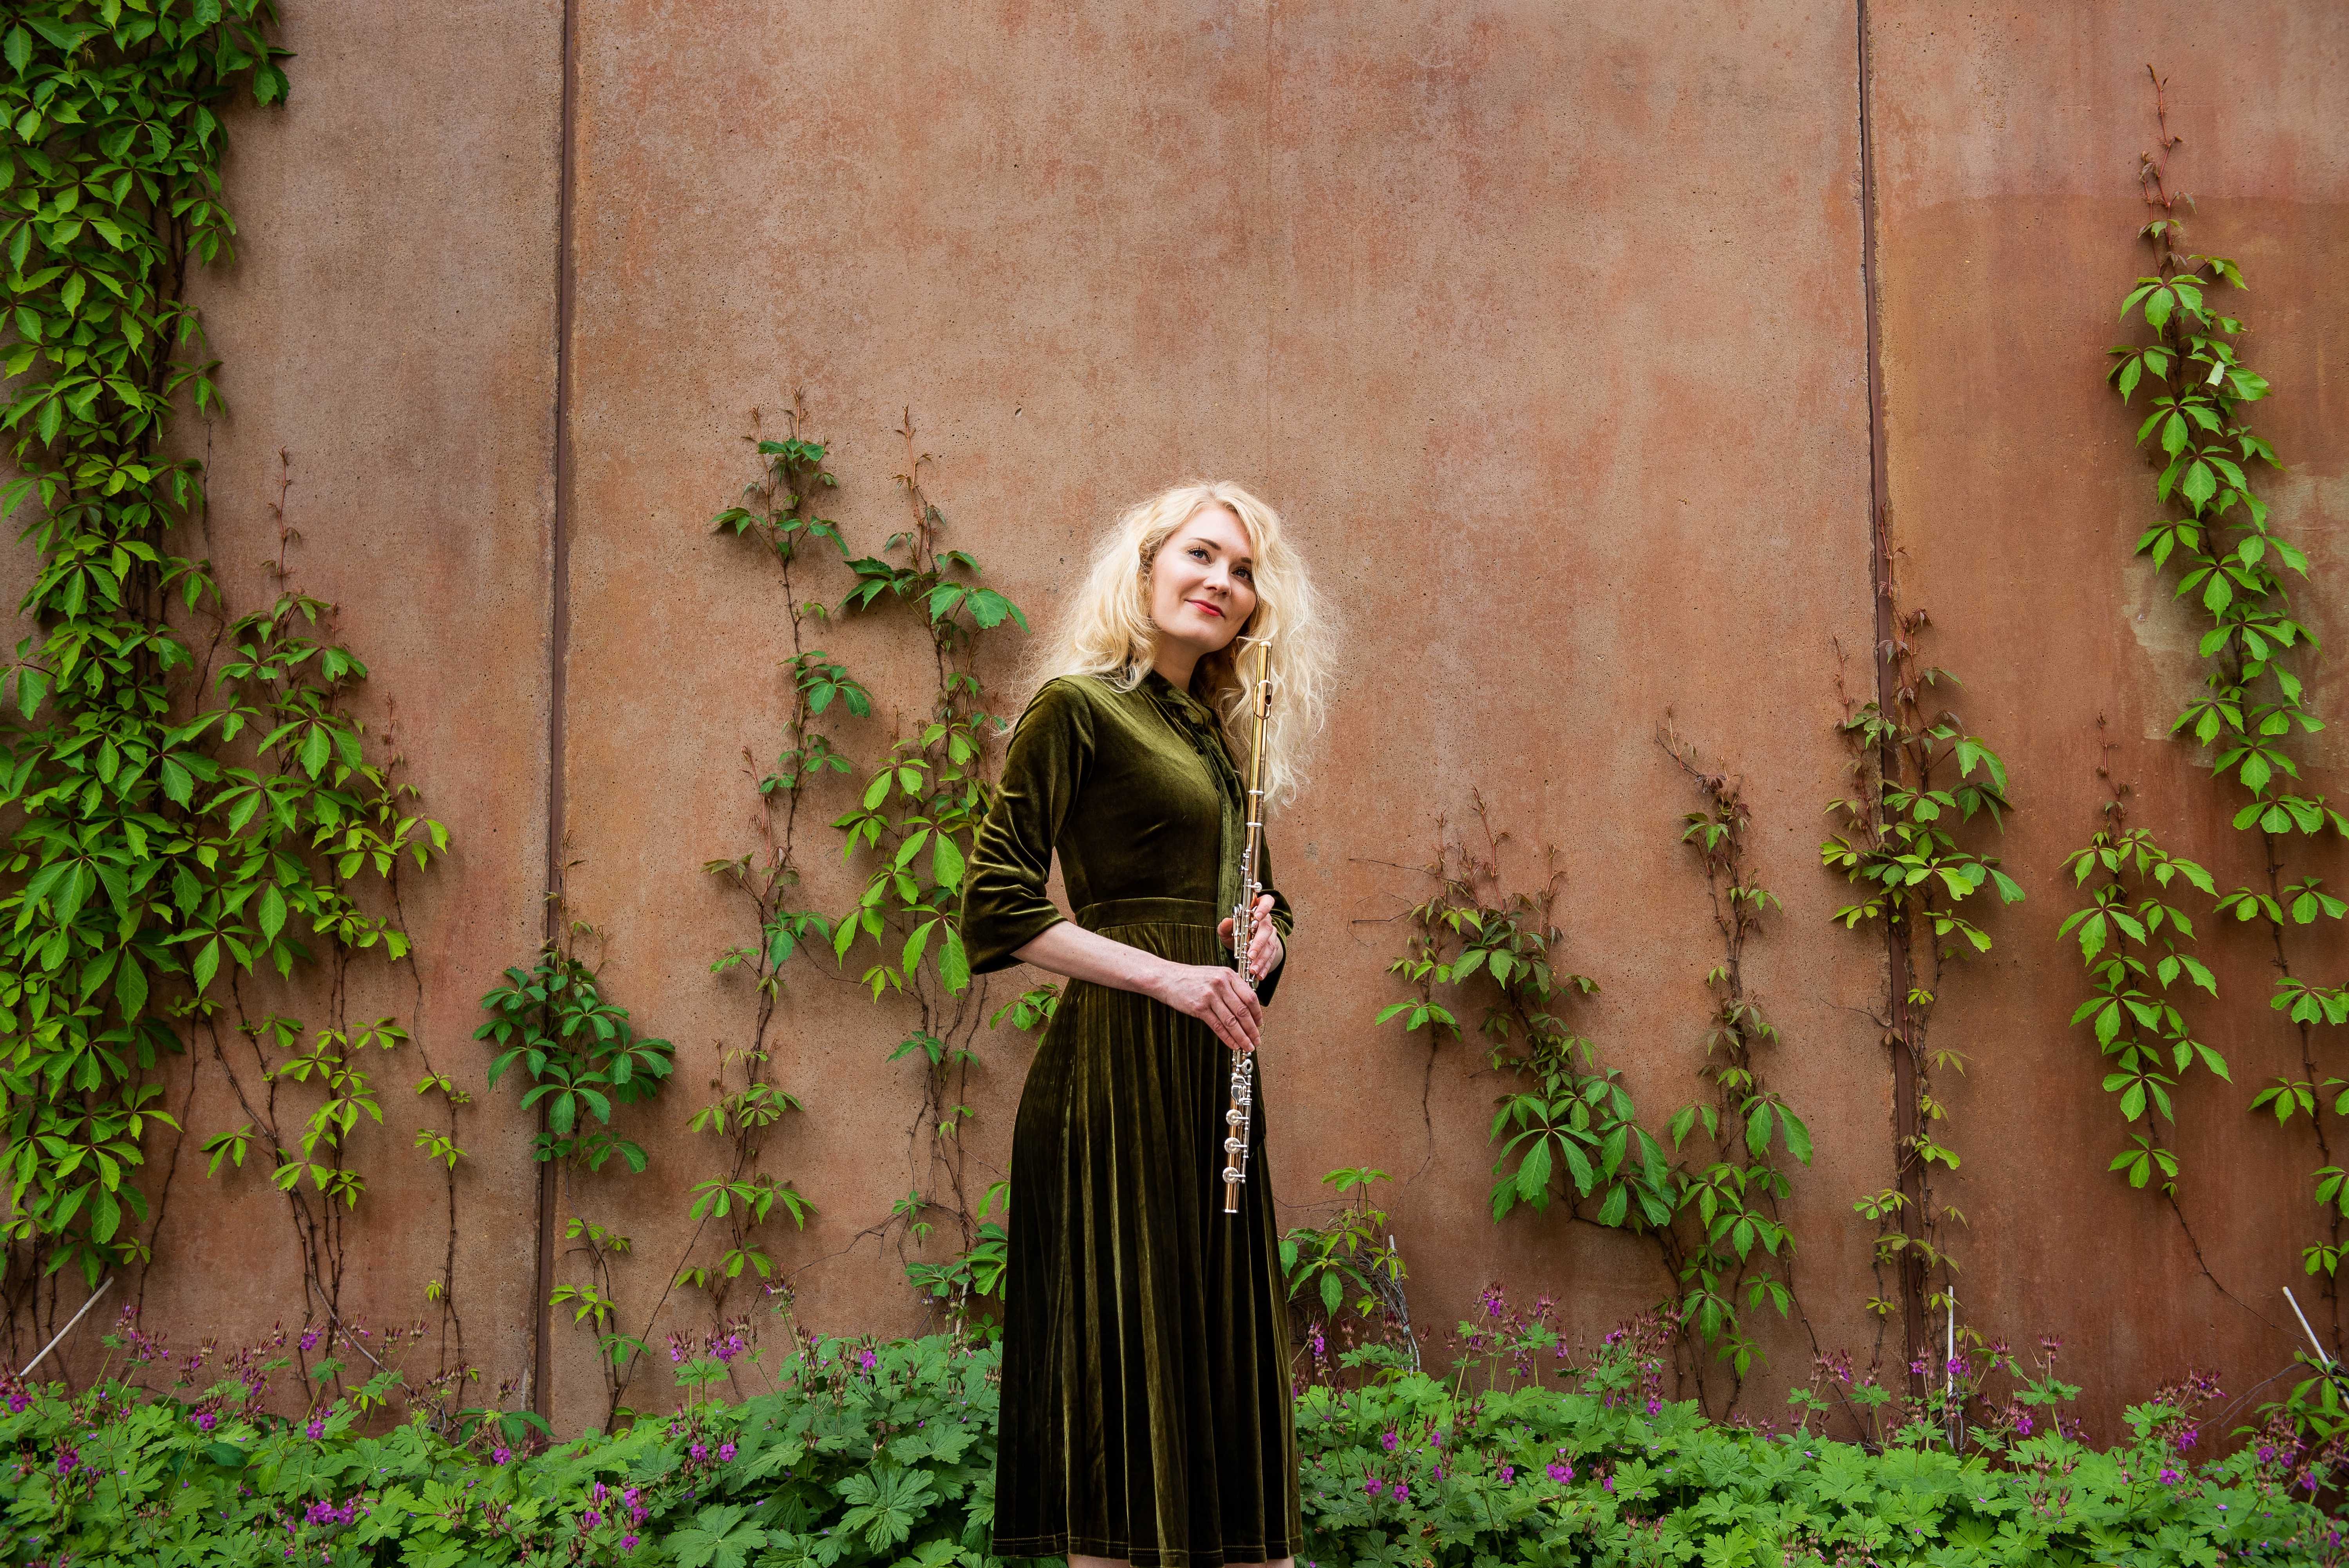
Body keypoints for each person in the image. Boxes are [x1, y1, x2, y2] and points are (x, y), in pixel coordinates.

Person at [960, 480, 1330, 1568]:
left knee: (1229, 1406)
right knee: (1122, 1425)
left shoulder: (1218, 739)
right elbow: (997, 904)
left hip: (1209, 1087)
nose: (1223, 581)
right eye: (1202, 554)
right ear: (1147, 564)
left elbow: (1266, 900)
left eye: (1245, 570)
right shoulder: (1078, 707)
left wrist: (1266, 941)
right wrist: (1171, 979)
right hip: (1114, 1089)